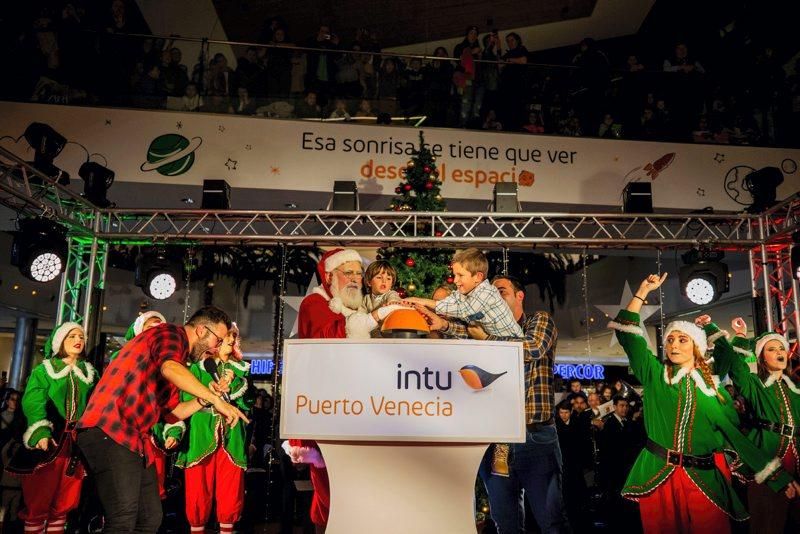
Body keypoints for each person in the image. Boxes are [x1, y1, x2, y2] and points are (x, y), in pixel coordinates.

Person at [608, 273, 800, 533]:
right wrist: (642, 292)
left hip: (703, 476)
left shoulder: (714, 392)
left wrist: (776, 477)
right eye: (670, 340)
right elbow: (630, 337)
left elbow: (736, 437)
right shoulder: (655, 375)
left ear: (697, 348)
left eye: (682, 339)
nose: (673, 344)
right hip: (658, 472)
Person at [416, 274, 569, 532]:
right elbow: (465, 332)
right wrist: (442, 324)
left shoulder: (538, 320)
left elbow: (533, 348)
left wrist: (486, 341)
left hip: (535, 436)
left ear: (519, 296)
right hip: (497, 441)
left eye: (501, 291)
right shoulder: (485, 329)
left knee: (551, 521)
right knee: (505, 522)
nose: (493, 298)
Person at [77, 306, 248, 533]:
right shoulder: (170, 334)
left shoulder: (175, 361)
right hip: (111, 429)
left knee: (149, 517)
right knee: (123, 518)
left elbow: (174, 411)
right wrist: (214, 399)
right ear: (200, 330)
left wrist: (207, 399)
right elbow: (170, 367)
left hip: (133, 438)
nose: (216, 348)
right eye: (217, 340)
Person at [283, 249, 405, 531]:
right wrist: (376, 317)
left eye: (358, 273)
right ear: (328, 276)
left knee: (355, 494)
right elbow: (330, 336)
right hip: (327, 412)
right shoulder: (315, 303)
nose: (355, 279)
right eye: (347, 272)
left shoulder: (356, 307)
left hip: (358, 412)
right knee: (330, 492)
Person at [7, 323, 97, 534]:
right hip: (51, 440)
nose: (78, 340)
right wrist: (40, 430)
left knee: (66, 500)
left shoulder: (90, 372)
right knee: (39, 497)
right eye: (72, 336)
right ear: (60, 342)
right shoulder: (44, 370)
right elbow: (33, 402)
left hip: (76, 444)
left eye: (81, 336)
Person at [716, 319, 800, 534]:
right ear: (762, 356)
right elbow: (736, 367)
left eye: (782, 347)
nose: (779, 352)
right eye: (772, 349)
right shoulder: (755, 384)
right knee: (768, 523)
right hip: (769, 462)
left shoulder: (796, 387)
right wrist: (742, 337)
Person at [176, 321, 251, 534]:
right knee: (198, 486)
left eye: (234, 336)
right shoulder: (199, 368)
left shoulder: (241, 370)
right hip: (201, 431)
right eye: (227, 335)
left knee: (231, 486)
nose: (231, 339)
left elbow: (247, 404)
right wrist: (175, 430)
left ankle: (227, 528)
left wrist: (235, 383)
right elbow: (184, 399)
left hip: (232, 431)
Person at [403, 248, 523, 338]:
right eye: (454, 275)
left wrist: (424, 301)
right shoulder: (465, 293)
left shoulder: (487, 292)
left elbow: (465, 310)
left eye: (460, 275)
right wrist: (416, 303)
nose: (455, 280)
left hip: (516, 346)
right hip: (500, 348)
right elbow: (448, 302)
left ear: (478, 277)